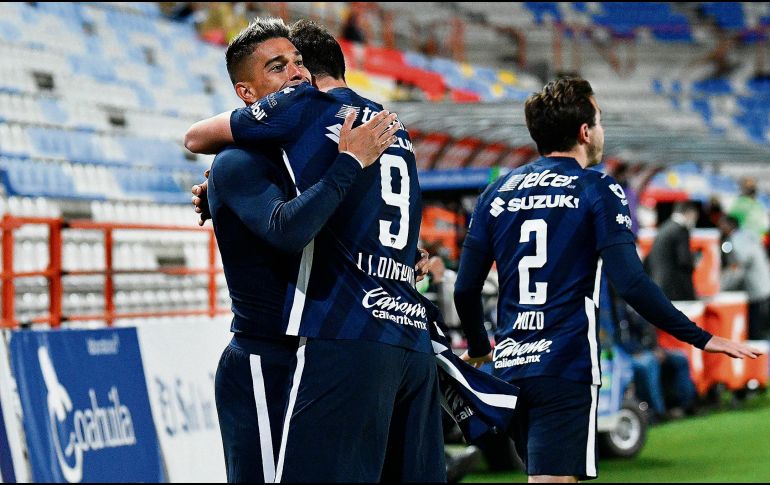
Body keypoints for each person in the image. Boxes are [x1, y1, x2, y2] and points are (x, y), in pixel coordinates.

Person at [454, 77, 762, 483]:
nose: (602, 132)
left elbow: (464, 289)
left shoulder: (497, 191)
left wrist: (479, 348)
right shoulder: (597, 188)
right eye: (599, 122)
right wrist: (702, 338)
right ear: (584, 132)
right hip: (563, 362)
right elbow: (632, 283)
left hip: (510, 367)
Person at [186, 19, 447, 482]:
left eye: (299, 62)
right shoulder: (237, 161)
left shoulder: (301, 161)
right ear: (248, 94)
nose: (296, 74)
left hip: (320, 349)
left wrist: (410, 256)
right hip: (265, 356)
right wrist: (347, 164)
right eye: (279, 66)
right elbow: (286, 227)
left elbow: (355, 223)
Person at [718, 214, 770, 340]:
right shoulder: (747, 234)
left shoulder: (736, 241)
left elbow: (739, 267)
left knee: (756, 331)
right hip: (764, 285)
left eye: (722, 224)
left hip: (755, 289)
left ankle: (759, 357)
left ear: (730, 225)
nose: (720, 227)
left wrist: (722, 286)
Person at [644, 201, 700, 301]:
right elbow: (684, 260)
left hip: (660, 284)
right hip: (675, 288)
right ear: (690, 212)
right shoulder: (680, 230)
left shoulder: (665, 227)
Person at [729, 176, 769, 243]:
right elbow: (729, 221)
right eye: (749, 186)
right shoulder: (740, 203)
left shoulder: (758, 204)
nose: (752, 189)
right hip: (747, 241)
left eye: (753, 186)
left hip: (759, 242)